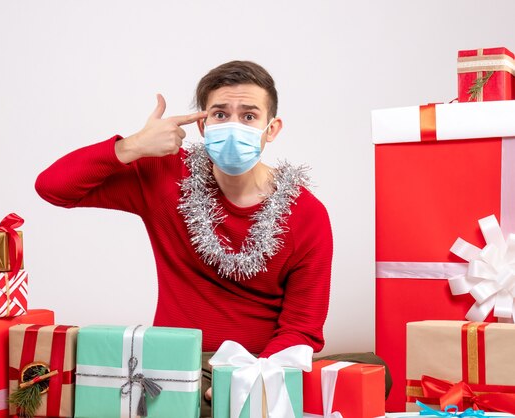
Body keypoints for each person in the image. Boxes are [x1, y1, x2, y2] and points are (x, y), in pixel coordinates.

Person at [36, 61, 389, 416]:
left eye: (249, 116)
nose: (234, 125)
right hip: (179, 364)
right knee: (177, 398)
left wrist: (248, 380)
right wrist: (132, 146)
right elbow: (53, 188)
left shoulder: (306, 214)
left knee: (374, 374)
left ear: (271, 129)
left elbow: (302, 327)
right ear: (203, 125)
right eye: (221, 114)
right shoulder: (164, 176)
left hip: (263, 364)